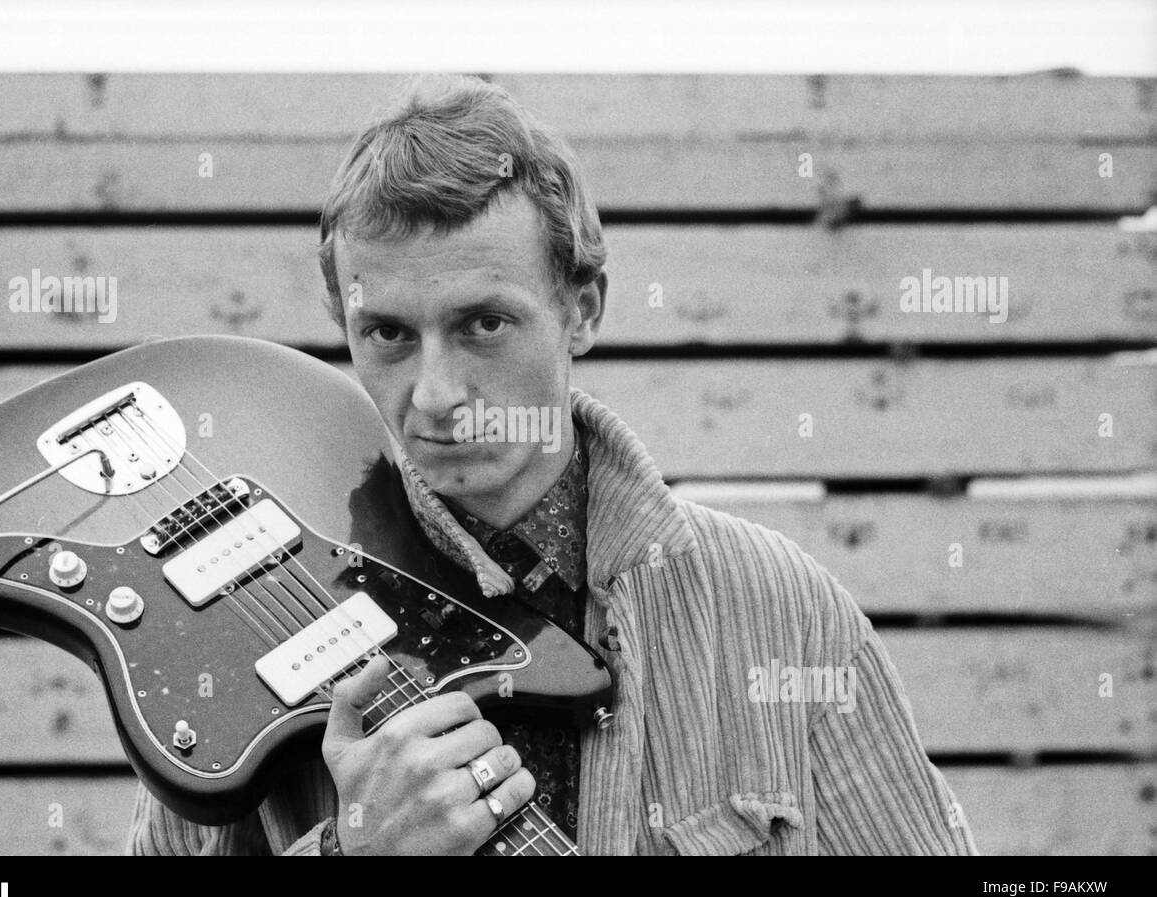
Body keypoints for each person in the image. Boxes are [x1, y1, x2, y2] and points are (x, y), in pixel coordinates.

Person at [127, 74, 978, 856]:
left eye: (484, 324)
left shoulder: (779, 613)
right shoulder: (248, 625)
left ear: (582, 311)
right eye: (388, 333)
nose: (434, 395)